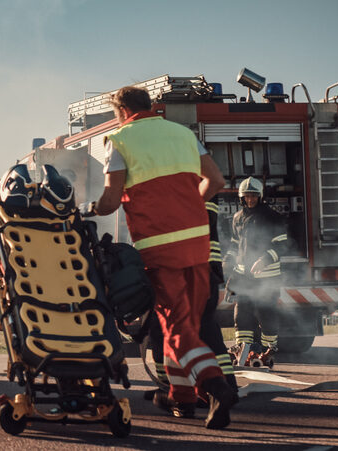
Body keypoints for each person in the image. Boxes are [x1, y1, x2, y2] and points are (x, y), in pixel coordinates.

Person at [84, 86, 236, 430]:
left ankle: (215, 387)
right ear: (150, 106)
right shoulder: (182, 134)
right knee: (184, 326)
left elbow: (109, 200)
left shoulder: (120, 140)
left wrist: (88, 208)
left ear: (121, 111)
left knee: (177, 328)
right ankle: (179, 398)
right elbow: (215, 180)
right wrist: (191, 207)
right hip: (198, 243)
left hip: (160, 248)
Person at [144, 201, 238, 417]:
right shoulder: (199, 183)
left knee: (171, 333)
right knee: (204, 331)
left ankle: (207, 391)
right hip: (203, 270)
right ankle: (200, 392)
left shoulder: (181, 188)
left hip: (185, 270)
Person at [224, 177, 289, 366]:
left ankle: (269, 351)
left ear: (260, 197)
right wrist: (227, 261)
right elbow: (234, 246)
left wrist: (265, 259)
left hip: (267, 278)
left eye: (253, 196)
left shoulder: (272, 217)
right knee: (241, 313)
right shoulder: (237, 218)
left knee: (266, 313)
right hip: (243, 277)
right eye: (247, 196)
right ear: (241, 198)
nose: (250, 200)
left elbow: (283, 246)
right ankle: (243, 349)